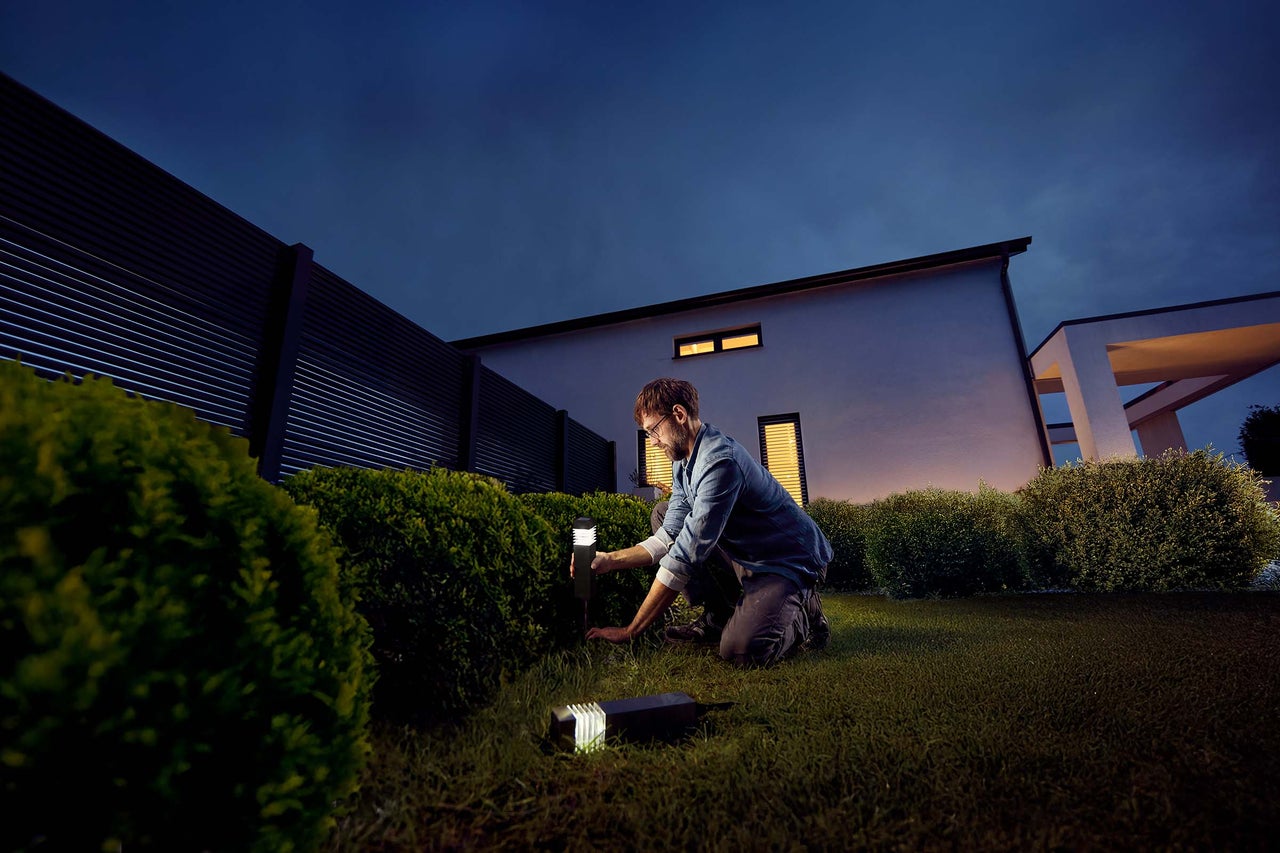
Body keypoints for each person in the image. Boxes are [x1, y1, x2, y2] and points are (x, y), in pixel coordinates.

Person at [574, 378, 833, 667]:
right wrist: (610, 560)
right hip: (748, 555)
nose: (653, 441)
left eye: (653, 430)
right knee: (662, 513)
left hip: (787, 560)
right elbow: (669, 534)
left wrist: (631, 630)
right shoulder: (682, 460)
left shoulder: (719, 463)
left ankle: (804, 615)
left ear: (679, 414)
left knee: (741, 652)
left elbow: (684, 557)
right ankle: (719, 617)